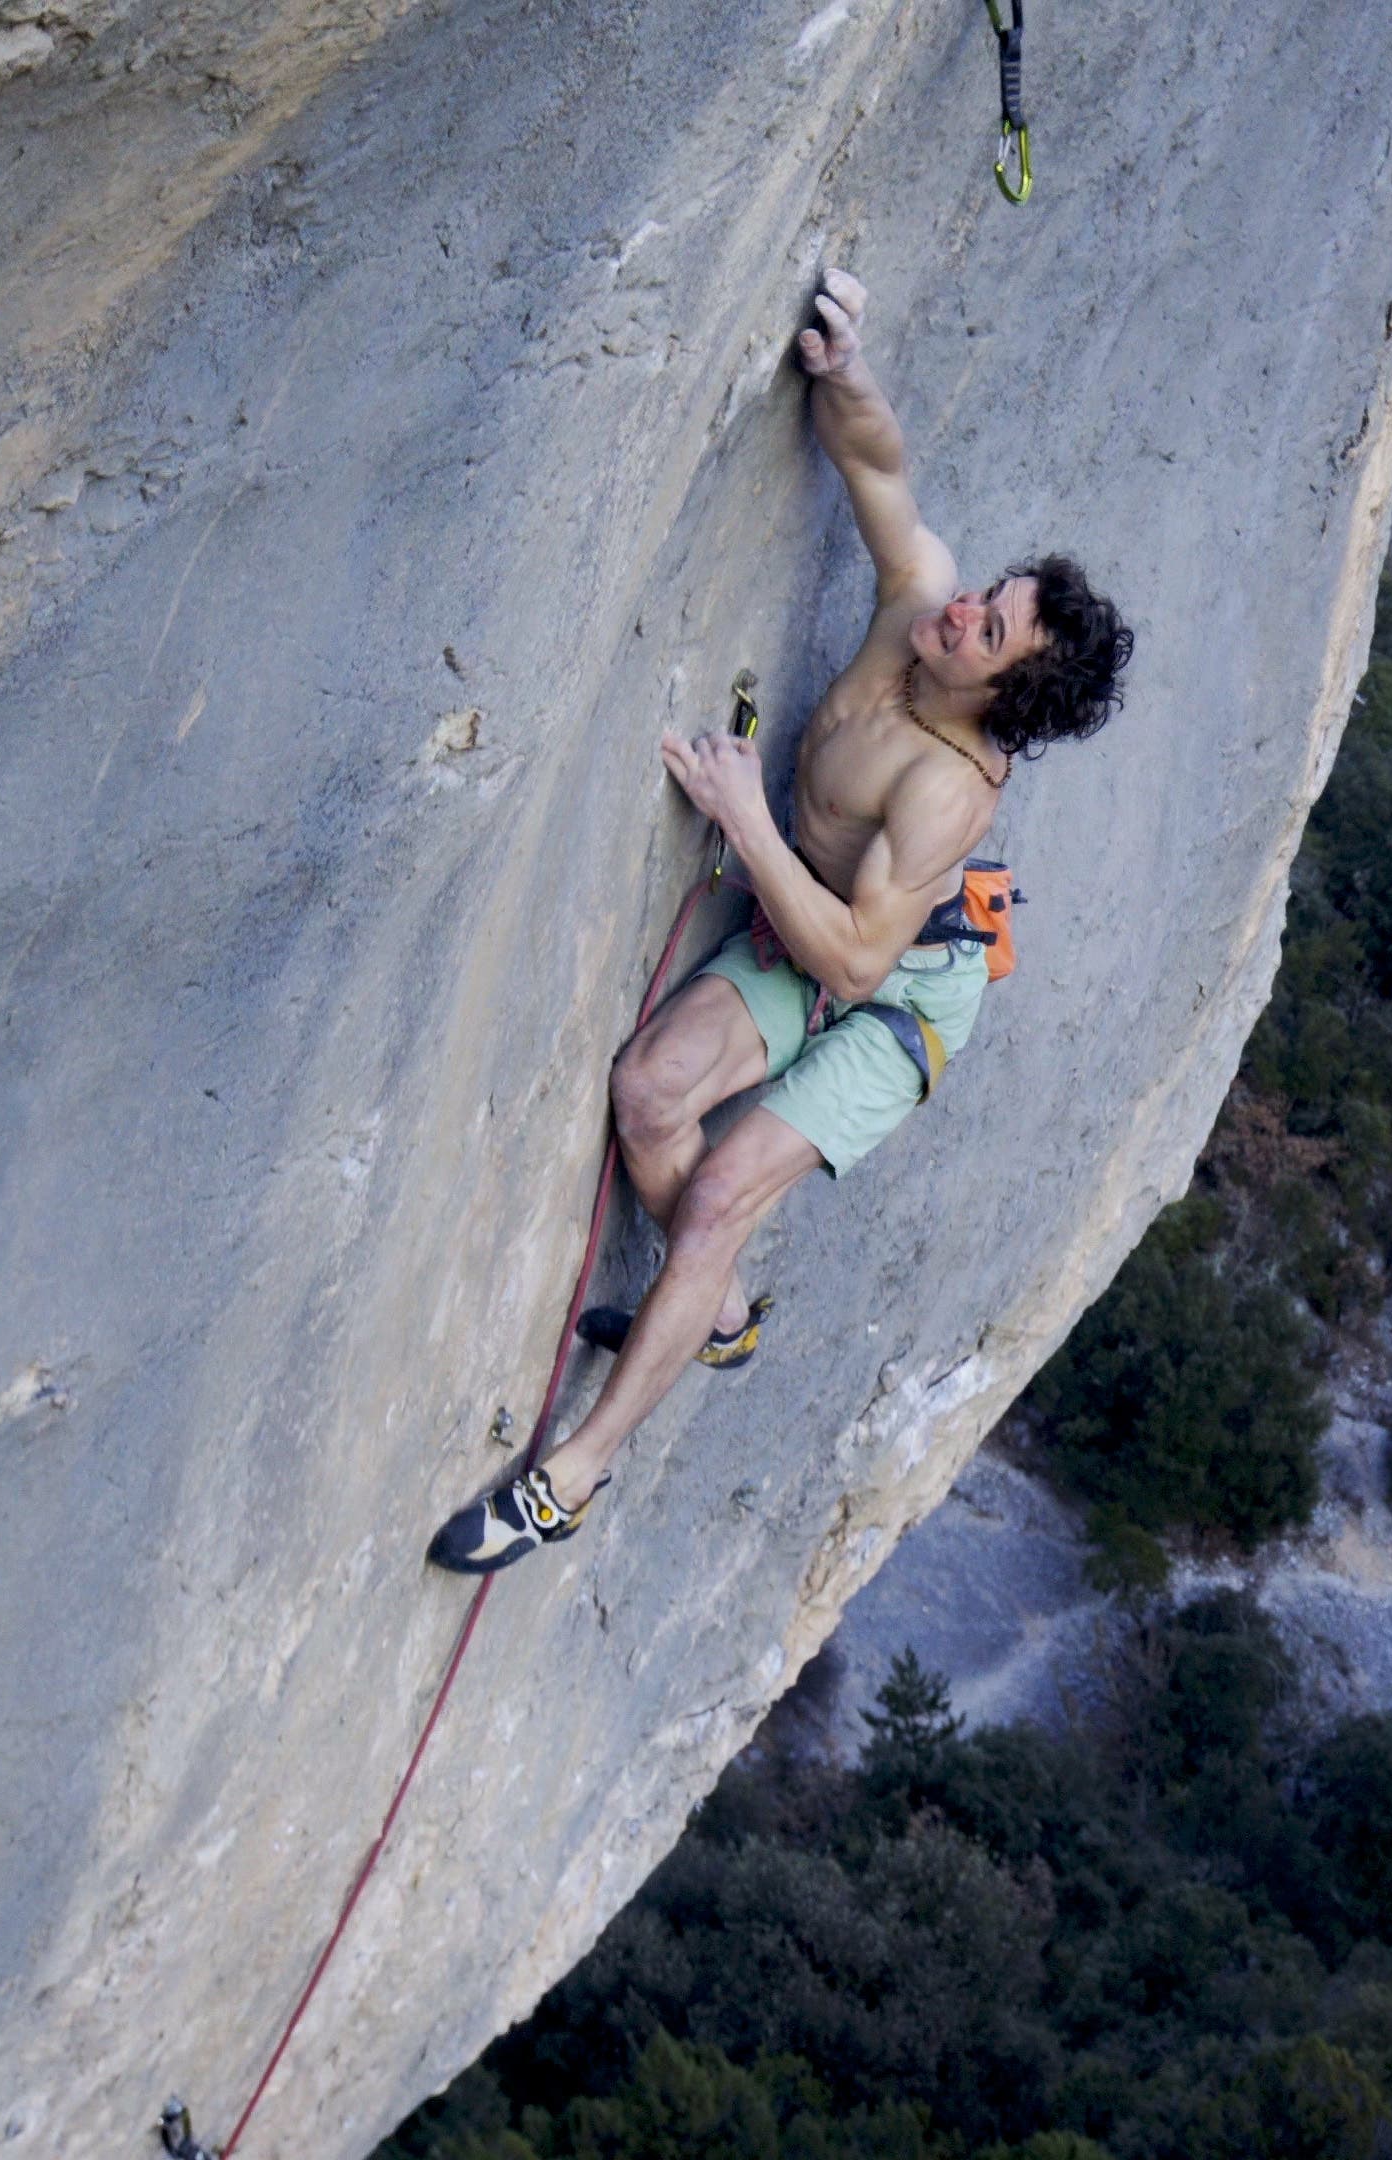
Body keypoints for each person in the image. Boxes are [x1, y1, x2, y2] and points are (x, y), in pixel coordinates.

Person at [430, 267, 1134, 1574]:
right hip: (811, 928)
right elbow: (877, 462)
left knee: (711, 1210)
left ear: (1005, 696)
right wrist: (846, 365)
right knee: (648, 1095)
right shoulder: (915, 606)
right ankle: (723, 1317)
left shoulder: (947, 797)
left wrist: (747, 819)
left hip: (897, 996)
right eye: (994, 592)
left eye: (993, 630)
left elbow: (862, 962)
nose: (965, 608)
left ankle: (569, 1480)